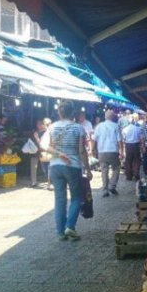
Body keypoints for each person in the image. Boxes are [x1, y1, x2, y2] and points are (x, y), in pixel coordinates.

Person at [48, 101, 92, 241]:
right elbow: (81, 151)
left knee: (59, 199)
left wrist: (59, 155)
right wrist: (88, 169)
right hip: (72, 166)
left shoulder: (52, 127)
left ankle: (61, 232)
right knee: (76, 197)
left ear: (59, 113)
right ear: (73, 113)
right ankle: (70, 226)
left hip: (55, 166)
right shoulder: (78, 128)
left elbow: (48, 147)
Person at [94, 109, 123, 197]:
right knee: (116, 168)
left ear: (105, 117)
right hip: (113, 150)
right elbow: (119, 140)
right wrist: (122, 151)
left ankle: (105, 190)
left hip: (102, 151)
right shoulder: (116, 126)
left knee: (104, 170)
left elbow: (94, 139)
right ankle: (112, 185)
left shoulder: (99, 126)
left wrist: (93, 149)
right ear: (113, 117)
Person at [30, 118, 51, 188]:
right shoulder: (35, 132)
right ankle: (34, 182)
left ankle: (49, 182)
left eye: (40, 124)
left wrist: (36, 138)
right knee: (34, 167)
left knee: (46, 168)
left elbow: (43, 143)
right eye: (37, 124)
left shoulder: (46, 132)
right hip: (35, 151)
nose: (38, 125)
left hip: (43, 152)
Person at [123, 114, 142, 181]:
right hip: (136, 145)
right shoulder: (138, 128)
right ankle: (136, 174)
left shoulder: (125, 129)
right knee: (136, 160)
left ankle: (129, 176)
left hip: (128, 146)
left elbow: (124, 139)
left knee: (128, 161)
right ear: (134, 121)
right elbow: (140, 138)